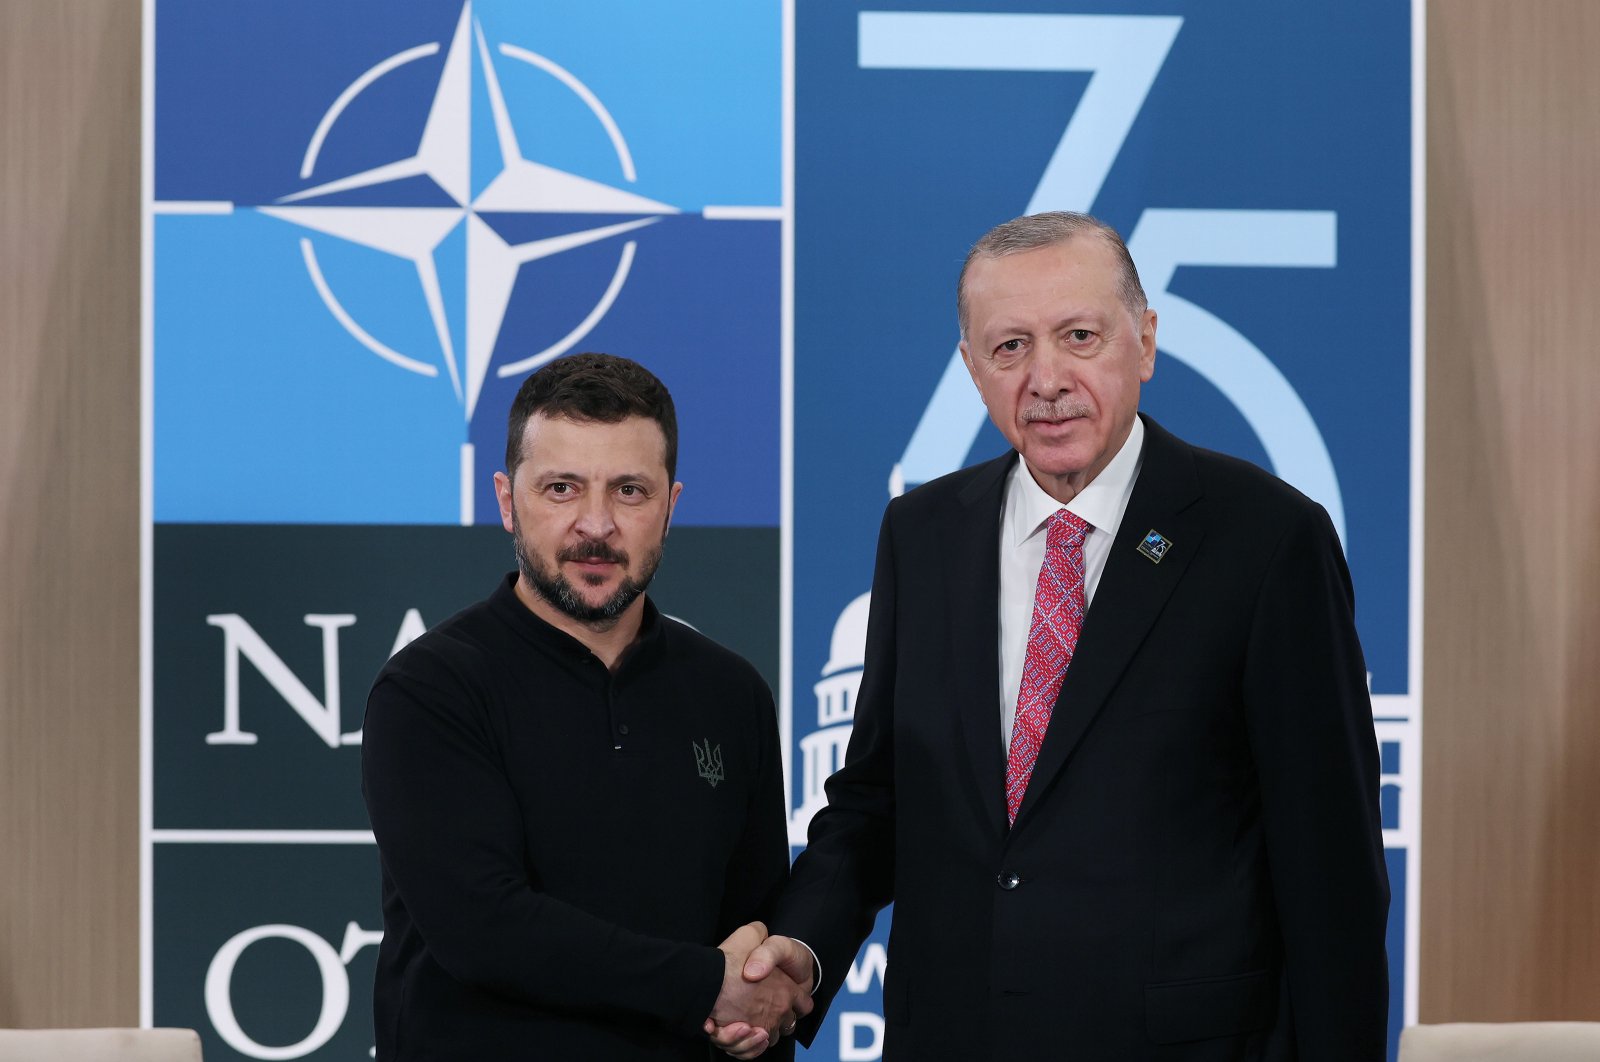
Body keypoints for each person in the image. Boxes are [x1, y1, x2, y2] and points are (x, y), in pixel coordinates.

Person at [720, 212, 1389, 1060]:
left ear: (1144, 342)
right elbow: (880, 796)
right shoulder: (923, 535)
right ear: (972, 368)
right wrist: (802, 949)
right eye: (1010, 348)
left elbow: (1328, 865)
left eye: (1079, 336)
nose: (1046, 379)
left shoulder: (1266, 540)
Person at [362, 353, 810, 1060]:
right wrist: (702, 985)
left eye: (629, 490)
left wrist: (754, 1006)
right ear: (508, 500)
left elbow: (752, 945)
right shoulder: (429, 690)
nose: (595, 525)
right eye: (562, 488)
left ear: (671, 504)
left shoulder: (731, 694)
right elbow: (484, 930)